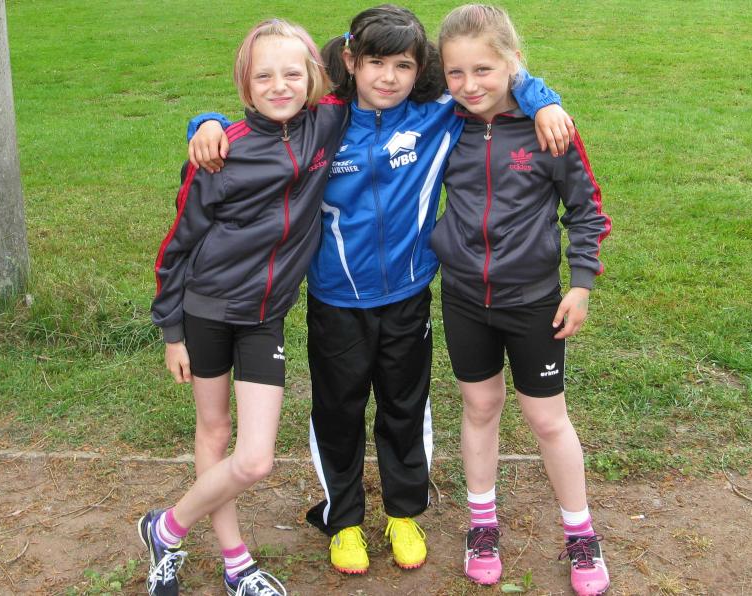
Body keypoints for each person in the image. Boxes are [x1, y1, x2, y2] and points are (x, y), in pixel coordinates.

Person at [186, 4, 573, 576]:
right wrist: (206, 122)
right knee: (337, 412)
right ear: (350, 61)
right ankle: (343, 521)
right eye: (375, 63)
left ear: (420, 70)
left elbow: (491, 77)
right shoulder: (322, 121)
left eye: (403, 66)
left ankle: (403, 513)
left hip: (408, 295)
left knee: (404, 407)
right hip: (335, 299)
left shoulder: (438, 115)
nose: (388, 77)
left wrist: (545, 100)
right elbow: (266, 116)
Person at [144, 19, 347, 596]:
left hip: (264, 316)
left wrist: (538, 98)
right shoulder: (220, 152)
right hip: (206, 310)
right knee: (214, 431)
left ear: (313, 77)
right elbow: (177, 244)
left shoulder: (327, 123)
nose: (279, 86)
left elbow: (370, 56)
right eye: (264, 76)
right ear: (245, 84)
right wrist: (172, 332)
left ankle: (165, 528)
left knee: (255, 459)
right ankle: (236, 562)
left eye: (292, 73)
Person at [430, 5, 612, 594]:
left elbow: (586, 210)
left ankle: (581, 534)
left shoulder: (549, 129)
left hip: (534, 301)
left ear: (513, 62)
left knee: (546, 418)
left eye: (483, 69)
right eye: (455, 73)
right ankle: (482, 525)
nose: (469, 85)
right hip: (463, 295)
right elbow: (365, 76)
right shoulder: (442, 123)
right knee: (480, 406)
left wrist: (581, 283)